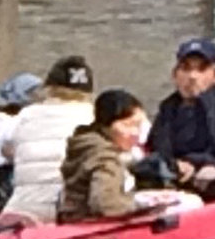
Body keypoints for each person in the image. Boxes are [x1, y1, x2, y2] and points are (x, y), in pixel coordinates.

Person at [60, 91, 193, 223]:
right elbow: (105, 203)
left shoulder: (88, 146)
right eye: (127, 125)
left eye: (138, 125)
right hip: (90, 227)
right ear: (106, 125)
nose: (135, 133)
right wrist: (145, 204)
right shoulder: (103, 157)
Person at [147, 38, 215, 191]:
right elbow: (156, 151)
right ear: (175, 74)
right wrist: (176, 165)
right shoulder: (168, 110)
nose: (192, 76)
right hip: (180, 186)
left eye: (201, 69)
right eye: (185, 68)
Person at [0, 55, 98, 221]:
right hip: (68, 213)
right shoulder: (95, 116)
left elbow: (3, 150)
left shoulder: (25, 115)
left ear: (49, 87)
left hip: (22, 210)